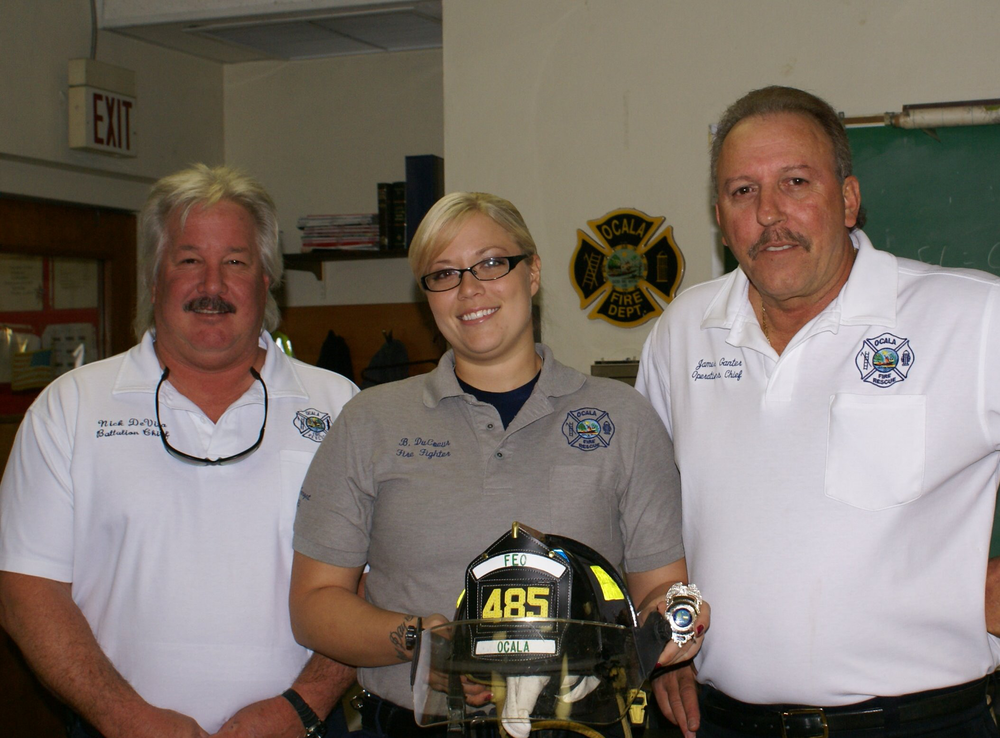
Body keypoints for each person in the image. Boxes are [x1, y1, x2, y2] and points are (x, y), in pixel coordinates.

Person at [636, 85, 1000, 738]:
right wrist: (657, 641)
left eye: (795, 182)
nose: (770, 214)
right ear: (720, 214)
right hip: (720, 724)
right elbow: (644, 511)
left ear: (850, 199)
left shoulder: (971, 318)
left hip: (921, 723)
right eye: (742, 191)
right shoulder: (683, 329)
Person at [287, 191, 708, 738]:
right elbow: (314, 606)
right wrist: (429, 644)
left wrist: (674, 621)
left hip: (580, 727)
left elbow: (659, 592)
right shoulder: (369, 421)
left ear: (531, 273)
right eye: (444, 273)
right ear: (428, 297)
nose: (469, 289)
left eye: (490, 263)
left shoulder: (623, 418)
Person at [0, 165, 359, 738]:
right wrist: (127, 719)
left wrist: (301, 706)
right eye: (189, 260)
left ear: (267, 278)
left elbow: (374, 578)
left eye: (235, 262)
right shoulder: (69, 408)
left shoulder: (341, 407)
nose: (211, 286)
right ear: (154, 276)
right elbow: (27, 594)